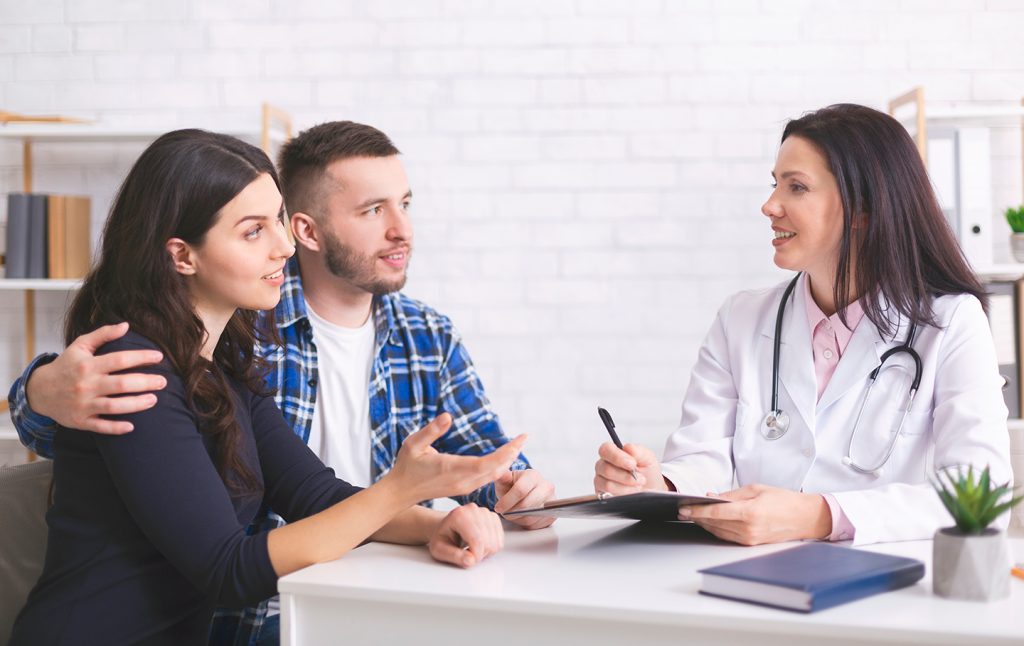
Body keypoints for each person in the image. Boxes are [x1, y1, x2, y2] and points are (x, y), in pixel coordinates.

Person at [9, 121, 555, 642]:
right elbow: (229, 569)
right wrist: (400, 489)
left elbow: (314, 495)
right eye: (254, 231)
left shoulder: (221, 365)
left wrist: (426, 524)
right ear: (182, 255)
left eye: (276, 219)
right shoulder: (135, 368)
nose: (284, 248)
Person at [593, 103, 1013, 547]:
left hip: (877, 590)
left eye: (796, 187)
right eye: (775, 184)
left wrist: (819, 515)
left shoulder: (950, 323)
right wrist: (658, 485)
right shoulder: (740, 319)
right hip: (743, 580)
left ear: (863, 207)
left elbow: (980, 493)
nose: (769, 205)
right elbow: (704, 457)